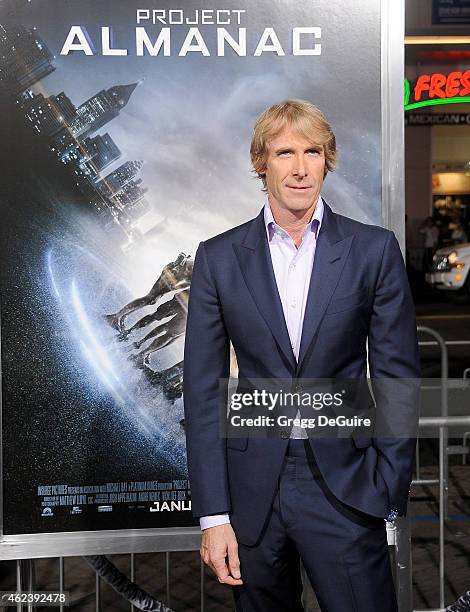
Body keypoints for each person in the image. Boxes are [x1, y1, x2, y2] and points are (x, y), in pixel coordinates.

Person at [183, 100, 420, 611]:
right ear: (260, 162)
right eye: (285, 152)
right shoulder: (219, 258)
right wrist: (213, 515)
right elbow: (202, 393)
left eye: (312, 151)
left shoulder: (372, 250)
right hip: (251, 494)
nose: (300, 167)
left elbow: (397, 375)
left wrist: (387, 482)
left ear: (327, 160)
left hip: (347, 485)